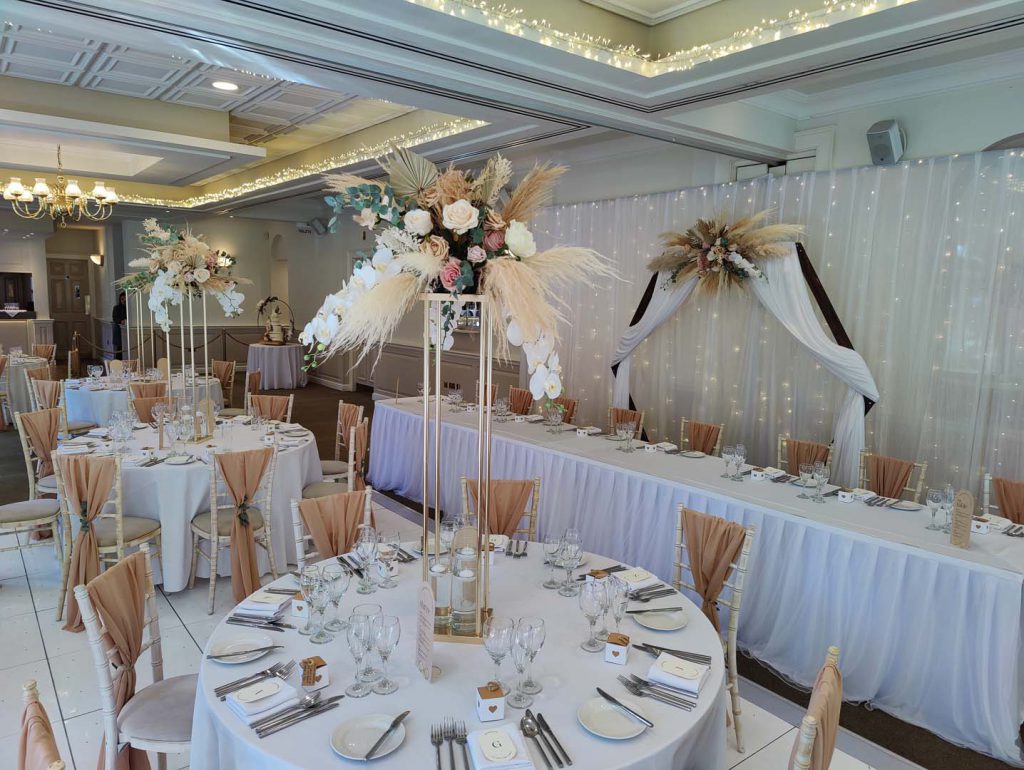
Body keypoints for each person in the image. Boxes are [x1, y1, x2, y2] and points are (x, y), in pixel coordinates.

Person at [112, 292, 127, 359]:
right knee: (119, 347)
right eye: (122, 299)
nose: (123, 301)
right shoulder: (116, 308)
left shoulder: (129, 308)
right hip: (118, 329)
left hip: (126, 329)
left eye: (125, 299)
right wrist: (121, 321)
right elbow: (114, 318)